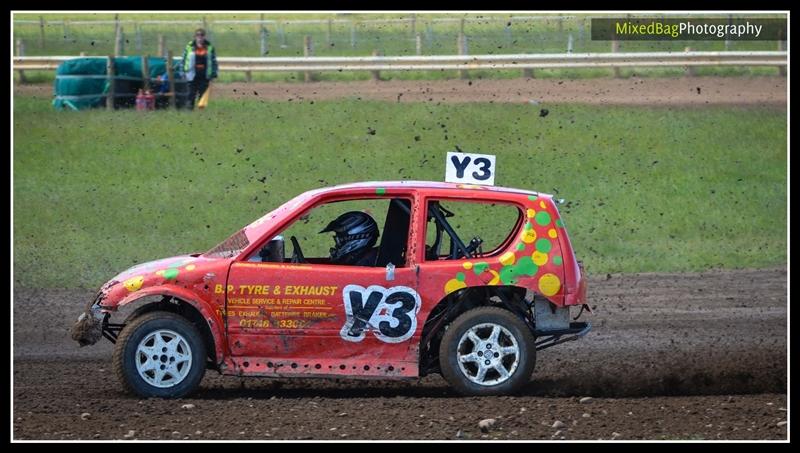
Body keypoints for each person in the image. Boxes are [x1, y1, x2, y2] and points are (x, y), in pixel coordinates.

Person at [181, 28, 218, 109]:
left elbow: (214, 61)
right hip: (191, 74)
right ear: (195, 36)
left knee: (203, 94)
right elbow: (183, 60)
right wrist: (182, 72)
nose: (200, 37)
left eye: (202, 35)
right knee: (191, 94)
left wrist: (214, 74)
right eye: (198, 35)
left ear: (204, 36)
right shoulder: (189, 46)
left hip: (204, 74)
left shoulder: (209, 47)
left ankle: (201, 114)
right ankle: (189, 111)